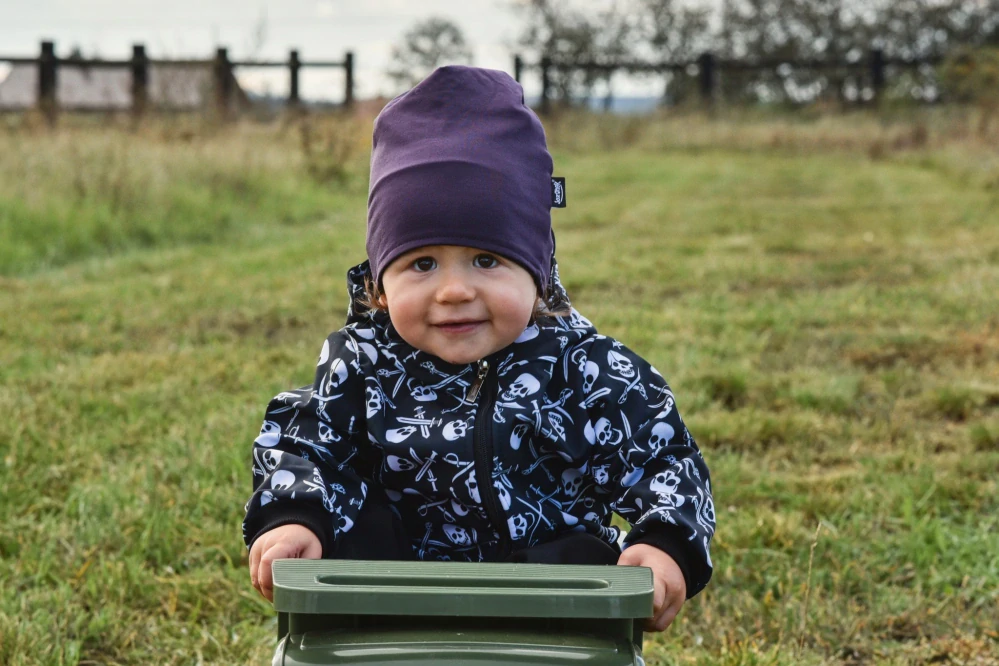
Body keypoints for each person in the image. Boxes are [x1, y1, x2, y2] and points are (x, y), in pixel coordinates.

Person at [243, 66, 715, 632]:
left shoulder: (587, 369)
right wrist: (295, 517)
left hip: (545, 604)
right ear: (380, 284)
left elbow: (665, 461)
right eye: (422, 263)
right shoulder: (363, 363)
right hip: (396, 599)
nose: (454, 290)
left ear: (538, 273)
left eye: (486, 260)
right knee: (356, 528)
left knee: (584, 555)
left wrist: (664, 544)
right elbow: (307, 446)